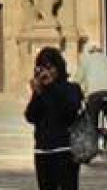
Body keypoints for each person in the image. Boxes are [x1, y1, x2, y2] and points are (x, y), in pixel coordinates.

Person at [25, 47, 84, 190]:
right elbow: (30, 116)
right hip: (42, 152)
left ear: (59, 67)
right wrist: (37, 94)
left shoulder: (72, 88)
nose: (46, 72)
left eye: (50, 67)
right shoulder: (40, 91)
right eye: (42, 68)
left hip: (65, 151)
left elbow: (69, 112)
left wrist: (52, 86)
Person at [77, 38, 107, 139]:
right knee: (106, 103)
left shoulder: (86, 60)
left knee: (92, 116)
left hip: (95, 93)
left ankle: (93, 136)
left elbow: (78, 78)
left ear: (89, 51)